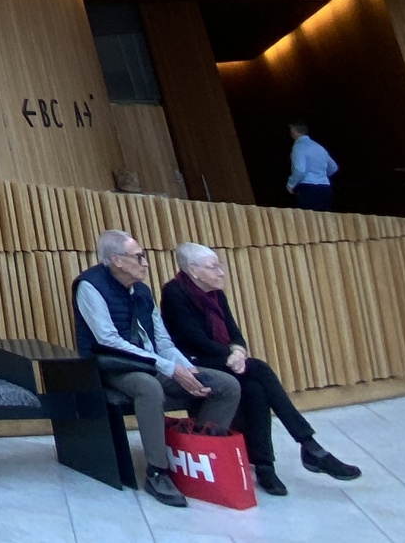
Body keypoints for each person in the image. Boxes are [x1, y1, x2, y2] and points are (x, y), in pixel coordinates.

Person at [160, 243, 359, 495]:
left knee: (255, 388)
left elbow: (235, 334)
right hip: (192, 363)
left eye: (220, 265)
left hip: (222, 359)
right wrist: (232, 356)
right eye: (213, 267)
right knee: (261, 370)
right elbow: (194, 339)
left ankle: (266, 466)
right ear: (193, 270)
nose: (221, 272)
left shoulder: (216, 293)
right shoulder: (174, 292)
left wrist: (239, 352)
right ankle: (309, 446)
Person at [73, 229, 241, 508]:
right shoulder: (89, 286)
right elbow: (108, 340)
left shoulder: (142, 291)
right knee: (149, 387)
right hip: (113, 366)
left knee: (225, 385)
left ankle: (199, 457)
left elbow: (162, 341)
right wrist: (169, 368)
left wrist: (188, 370)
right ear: (116, 260)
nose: (146, 263)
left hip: (151, 362)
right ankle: (157, 472)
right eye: (138, 257)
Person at [286, 123, 337, 210]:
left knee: (307, 216)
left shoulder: (299, 147)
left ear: (294, 132)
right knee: (324, 216)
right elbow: (334, 167)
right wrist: (321, 175)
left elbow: (299, 170)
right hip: (325, 188)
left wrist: (290, 184)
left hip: (308, 188)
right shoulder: (319, 147)